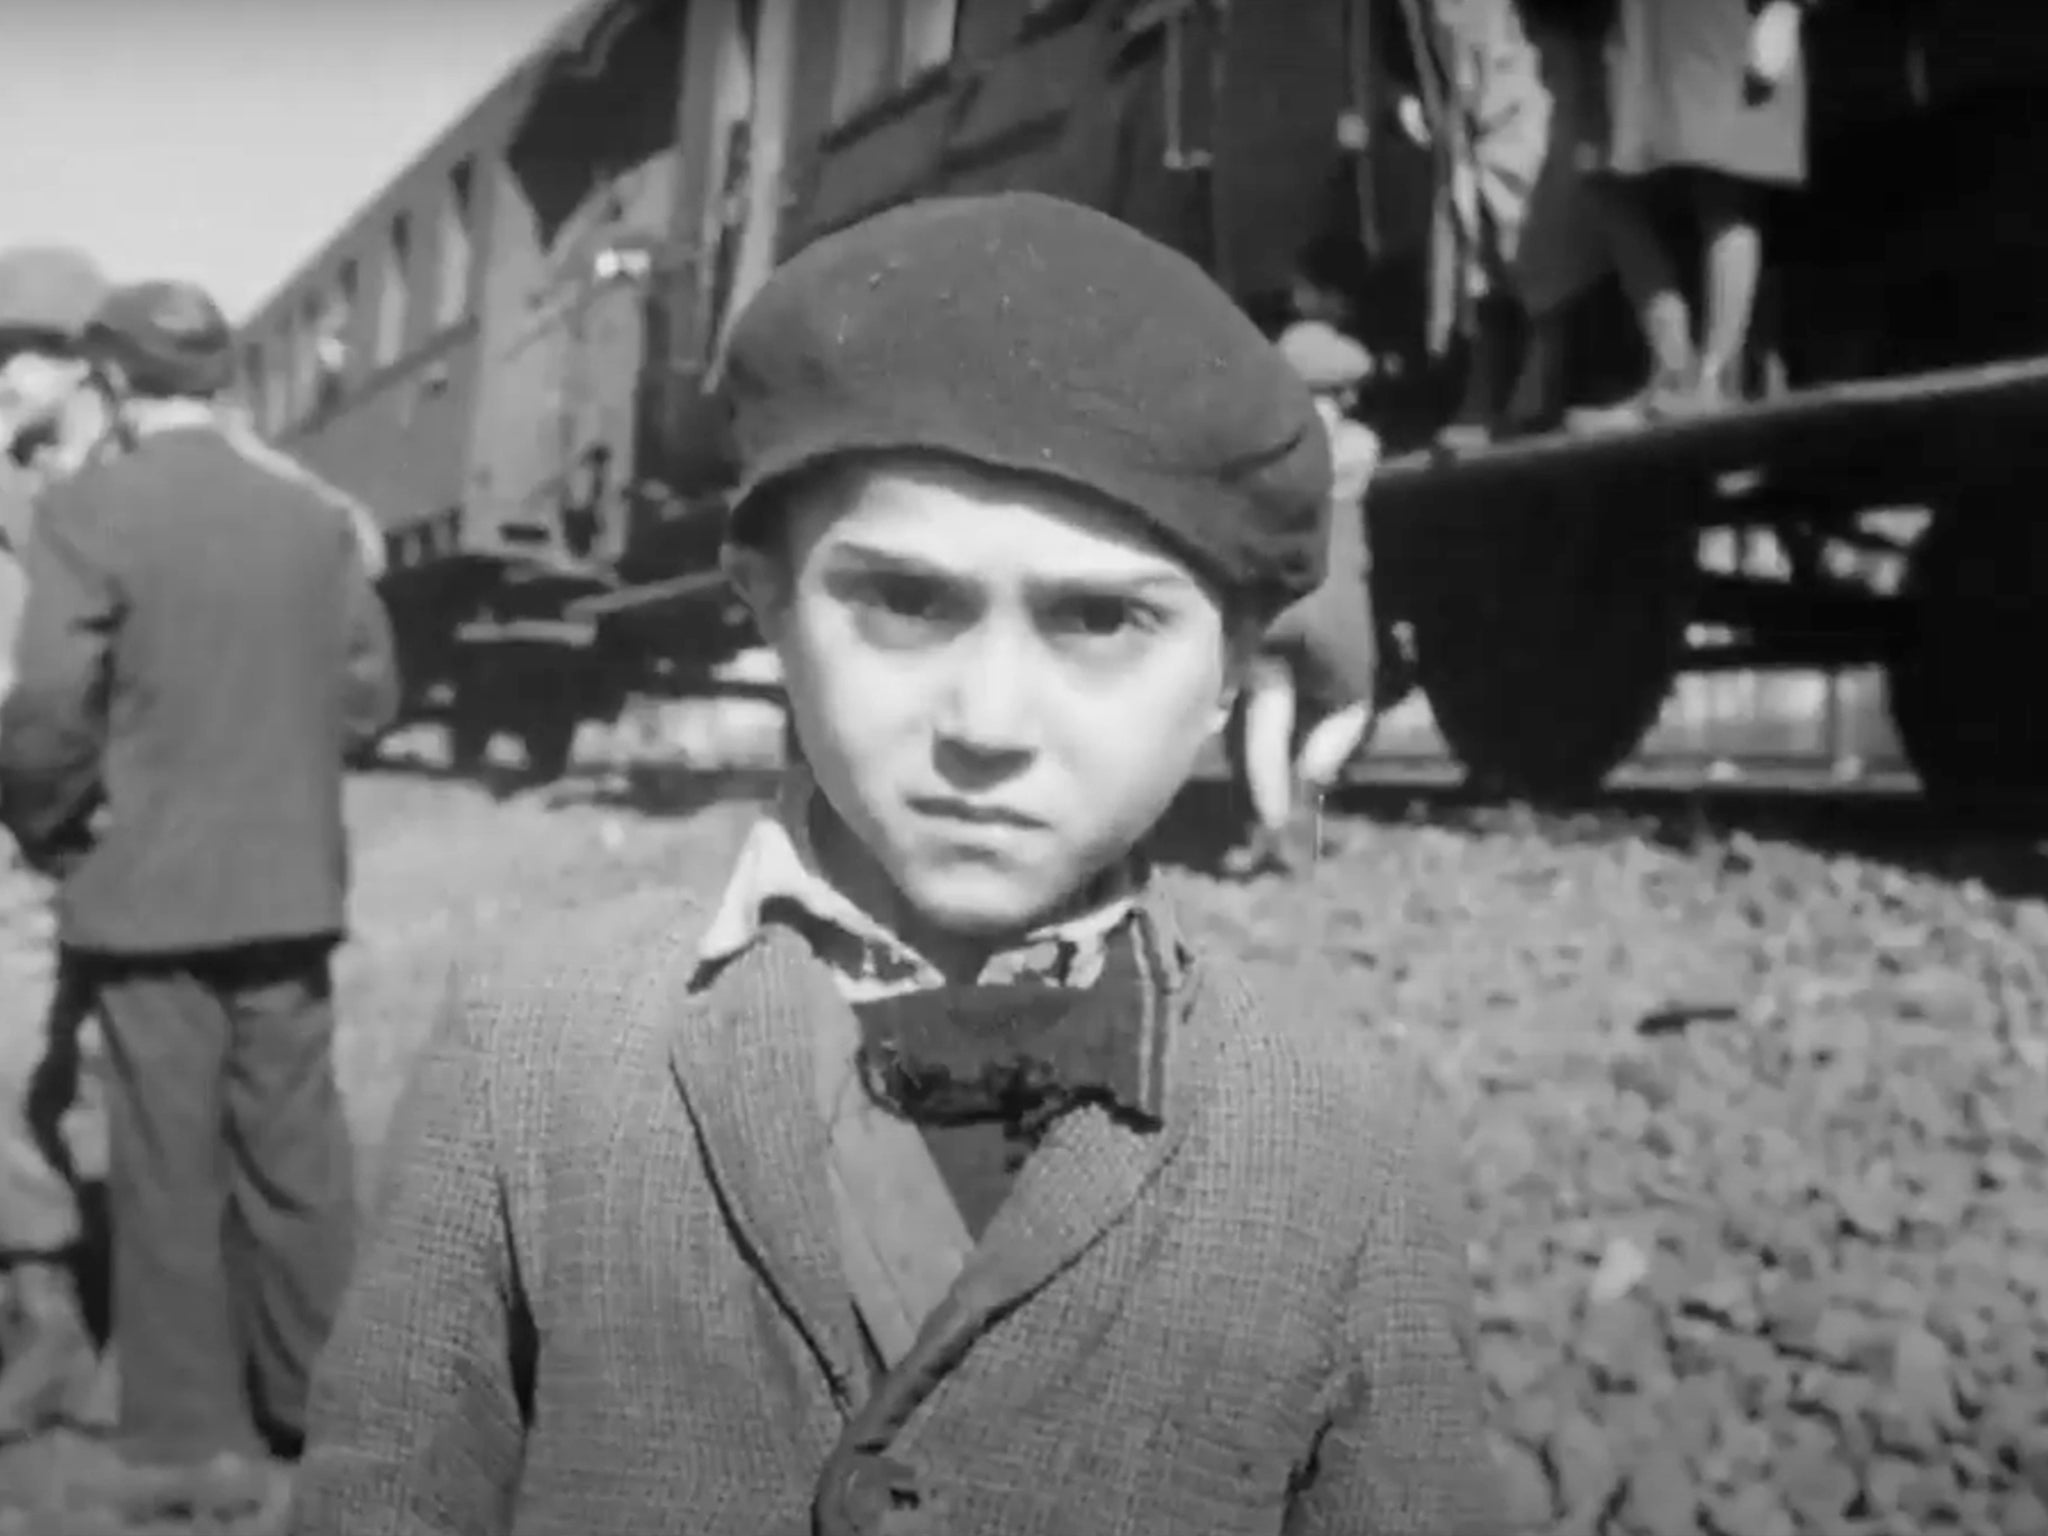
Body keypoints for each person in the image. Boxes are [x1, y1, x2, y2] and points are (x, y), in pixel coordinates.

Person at [293, 192, 1503, 1534]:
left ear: (1230, 666)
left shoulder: (1346, 1145)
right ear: (762, 598)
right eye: (906, 601)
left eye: (1102, 617)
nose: (987, 726)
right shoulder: (533, 1050)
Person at [0, 278, 401, 1525]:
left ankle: (190, 1443)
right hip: (288, 885)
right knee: (298, 1147)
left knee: (166, 1157)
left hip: (147, 893)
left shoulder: (87, 510)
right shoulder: (308, 513)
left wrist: (58, 828)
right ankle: (330, 1408)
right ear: (222, 377)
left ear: (112, 382)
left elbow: (51, 712)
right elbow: (369, 697)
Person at [0, 243, 119, 1444]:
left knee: (21, 1058)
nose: (2, 371)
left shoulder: (89, 487)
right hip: (36, 816)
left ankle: (60, 1329)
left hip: (73, 820)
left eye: (22, 351)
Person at [1568, 0, 1815, 428]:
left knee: (1721, 174)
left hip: (1719, 17)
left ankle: (1715, 381)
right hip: (1631, 22)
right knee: (1605, 177)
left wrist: (1788, 8)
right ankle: (1672, 371)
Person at [1227, 319, 1384, 878]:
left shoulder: (1257, 459)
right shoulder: (1361, 448)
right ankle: (1314, 776)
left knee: (1267, 706)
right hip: (1335, 603)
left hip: (1271, 604)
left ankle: (1271, 827)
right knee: (1351, 705)